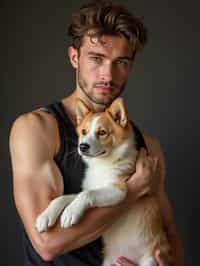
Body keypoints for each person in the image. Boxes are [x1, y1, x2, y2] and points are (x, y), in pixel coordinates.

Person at [9, 1, 184, 265]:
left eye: (121, 62)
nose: (108, 75)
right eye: (97, 58)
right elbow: (47, 243)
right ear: (74, 58)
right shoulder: (37, 129)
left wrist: (166, 262)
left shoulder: (148, 146)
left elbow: (170, 234)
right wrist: (134, 190)